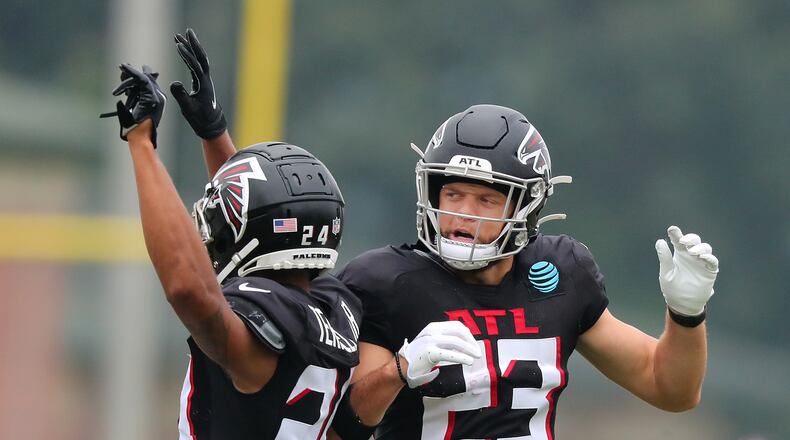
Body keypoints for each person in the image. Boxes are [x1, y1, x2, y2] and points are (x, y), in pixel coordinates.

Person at [173, 29, 719, 439]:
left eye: (486, 199)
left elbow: (670, 388)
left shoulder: (561, 273)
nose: (462, 214)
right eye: (452, 194)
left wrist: (686, 314)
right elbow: (344, 422)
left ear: (526, 206)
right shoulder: (386, 281)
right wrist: (400, 370)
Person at [101, 62, 364, 439]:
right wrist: (214, 133)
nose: (214, 236)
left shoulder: (262, 329)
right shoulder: (334, 307)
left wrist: (141, 144)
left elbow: (188, 289)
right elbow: (257, 219)